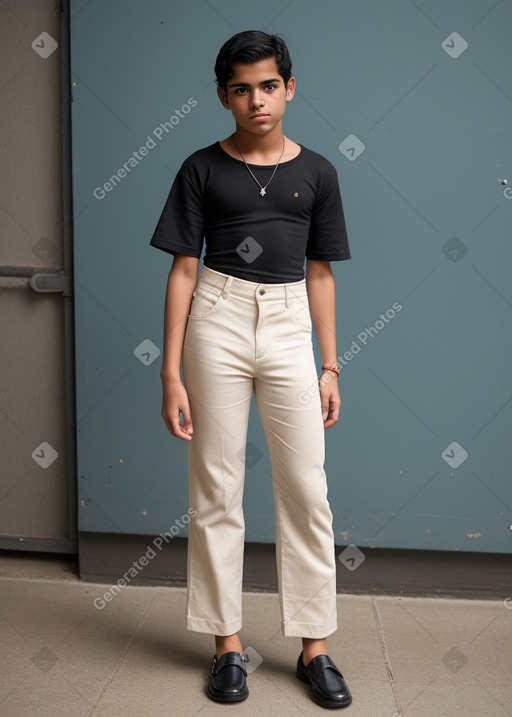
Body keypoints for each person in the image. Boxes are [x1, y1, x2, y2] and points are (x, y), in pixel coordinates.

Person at [150, 30, 352, 708]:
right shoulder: (200, 168)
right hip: (219, 314)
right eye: (242, 88)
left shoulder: (318, 171)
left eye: (269, 85)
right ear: (223, 96)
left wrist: (330, 364)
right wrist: (170, 371)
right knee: (216, 486)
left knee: (306, 487)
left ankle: (315, 647)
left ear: (289, 88)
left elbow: (319, 273)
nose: (257, 99)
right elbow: (183, 268)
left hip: (292, 320)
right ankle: (227, 647)